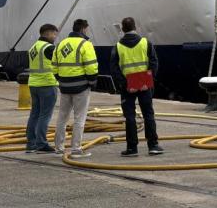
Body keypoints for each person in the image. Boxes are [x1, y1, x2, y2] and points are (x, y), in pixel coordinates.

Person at [110, 17, 163, 156]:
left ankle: (132, 148)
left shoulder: (118, 47)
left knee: (130, 117)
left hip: (127, 87)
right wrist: (147, 81)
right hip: (145, 85)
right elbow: (154, 63)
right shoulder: (146, 43)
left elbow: (114, 68)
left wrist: (125, 83)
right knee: (148, 115)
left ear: (122, 29)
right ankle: (153, 145)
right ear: (136, 27)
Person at [53, 19, 99, 158]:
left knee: (62, 117)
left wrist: (61, 80)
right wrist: (92, 82)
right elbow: (91, 66)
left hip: (65, 87)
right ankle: (76, 149)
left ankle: (59, 148)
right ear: (84, 29)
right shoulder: (86, 44)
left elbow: (54, 66)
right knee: (79, 118)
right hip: (81, 87)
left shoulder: (60, 44)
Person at [24, 23, 60, 154]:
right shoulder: (49, 47)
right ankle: (41, 144)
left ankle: (31, 143)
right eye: (54, 34)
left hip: (33, 84)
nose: (55, 37)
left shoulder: (34, 47)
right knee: (45, 115)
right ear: (48, 33)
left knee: (34, 114)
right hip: (47, 84)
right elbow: (58, 64)